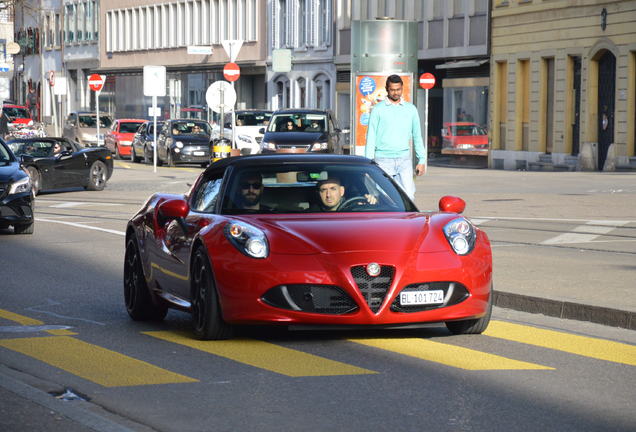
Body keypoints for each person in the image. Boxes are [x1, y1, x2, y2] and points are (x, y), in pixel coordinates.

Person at [365, 74, 426, 200]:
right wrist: (368, 161)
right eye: (392, 90)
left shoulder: (411, 109)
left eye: (398, 89)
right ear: (387, 89)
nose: (396, 92)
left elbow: (417, 136)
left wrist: (422, 160)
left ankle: (405, 220)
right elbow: (371, 136)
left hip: (404, 159)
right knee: (385, 197)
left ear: (402, 88)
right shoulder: (377, 109)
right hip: (382, 159)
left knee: (409, 196)